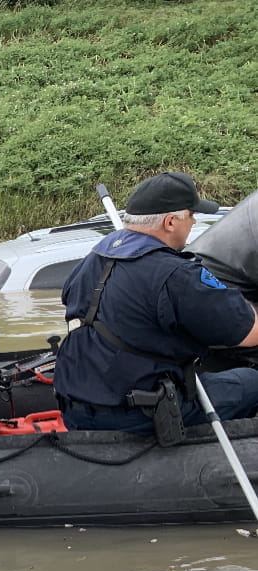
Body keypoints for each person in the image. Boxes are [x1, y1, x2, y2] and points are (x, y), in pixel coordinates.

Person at [53, 170, 258, 433]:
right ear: (171, 222)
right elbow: (248, 332)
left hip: (76, 410)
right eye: (192, 215)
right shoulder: (177, 274)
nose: (194, 222)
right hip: (138, 416)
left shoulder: (95, 256)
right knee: (251, 381)